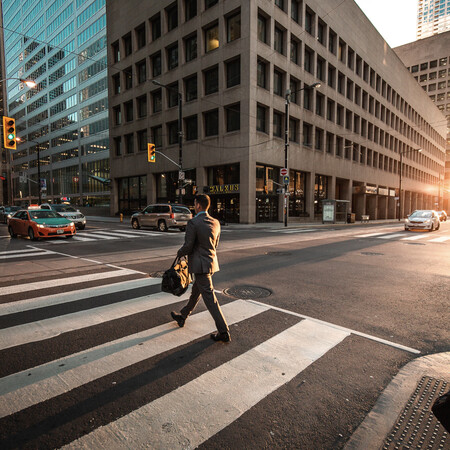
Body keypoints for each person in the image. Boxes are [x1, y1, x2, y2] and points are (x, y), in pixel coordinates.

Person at [171, 194, 230, 343]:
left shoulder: (194, 222)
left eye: (195, 203)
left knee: (211, 300)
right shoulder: (216, 222)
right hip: (210, 263)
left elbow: (188, 246)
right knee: (196, 292)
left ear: (198, 205)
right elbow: (215, 245)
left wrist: (180, 252)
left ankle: (224, 332)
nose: (194, 205)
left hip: (199, 265)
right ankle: (183, 316)